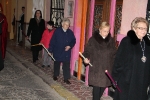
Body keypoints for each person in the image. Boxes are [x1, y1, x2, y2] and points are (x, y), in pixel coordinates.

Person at [112, 17, 150, 100]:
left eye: (145, 28)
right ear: (134, 28)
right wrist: (115, 78)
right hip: (128, 80)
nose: (144, 31)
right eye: (140, 28)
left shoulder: (147, 44)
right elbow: (119, 60)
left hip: (142, 81)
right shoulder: (127, 41)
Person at [82, 21, 116, 100]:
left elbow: (114, 53)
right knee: (97, 89)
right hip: (97, 68)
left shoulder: (111, 40)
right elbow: (87, 52)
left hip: (107, 68)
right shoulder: (93, 40)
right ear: (100, 30)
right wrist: (85, 58)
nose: (106, 33)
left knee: (103, 86)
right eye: (104, 31)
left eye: (108, 31)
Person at [48, 18, 76, 84]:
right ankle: (55, 75)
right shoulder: (57, 31)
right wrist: (50, 50)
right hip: (58, 50)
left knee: (66, 65)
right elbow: (53, 41)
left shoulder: (70, 32)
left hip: (66, 52)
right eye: (65, 24)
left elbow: (73, 40)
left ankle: (66, 78)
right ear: (62, 24)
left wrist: (70, 46)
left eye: (68, 25)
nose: (67, 26)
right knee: (57, 63)